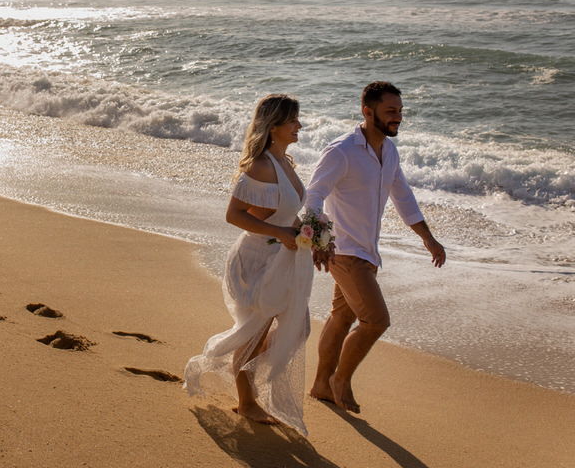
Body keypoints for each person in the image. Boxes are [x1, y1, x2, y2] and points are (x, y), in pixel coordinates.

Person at [306, 81, 445, 414]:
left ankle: (321, 385)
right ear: (368, 112)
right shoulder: (342, 151)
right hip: (344, 251)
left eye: (400, 111)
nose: (398, 118)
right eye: (390, 111)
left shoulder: (389, 151)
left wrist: (427, 237)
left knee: (342, 317)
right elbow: (313, 194)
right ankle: (341, 379)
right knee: (376, 321)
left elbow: (404, 198)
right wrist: (319, 240)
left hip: (367, 252)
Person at [184, 94, 317, 436]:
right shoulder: (259, 166)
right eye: (293, 121)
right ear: (274, 127)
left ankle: (241, 371)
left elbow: (284, 212)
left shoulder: (286, 162)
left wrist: (310, 232)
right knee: (255, 331)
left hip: (283, 257)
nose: (298, 126)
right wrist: (281, 232)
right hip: (257, 259)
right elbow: (234, 215)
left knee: (296, 329)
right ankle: (246, 398)